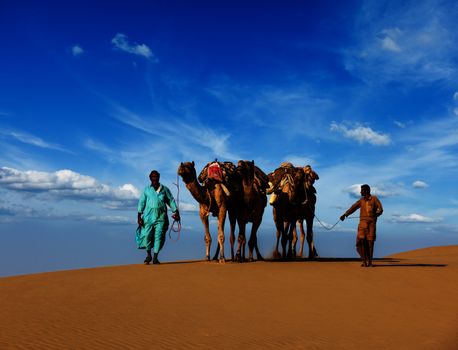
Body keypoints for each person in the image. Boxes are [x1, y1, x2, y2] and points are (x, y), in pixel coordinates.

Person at [136, 170, 180, 265]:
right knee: (147, 235)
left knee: (158, 237)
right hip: (148, 217)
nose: (155, 178)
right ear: (150, 178)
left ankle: (155, 257)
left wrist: (176, 211)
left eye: (156, 177)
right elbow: (141, 203)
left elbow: (170, 200)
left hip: (161, 217)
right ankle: (149, 255)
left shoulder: (164, 189)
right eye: (153, 177)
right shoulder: (146, 190)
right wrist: (139, 216)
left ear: (159, 177)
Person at [340, 184, 383, 267]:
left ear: (367, 191)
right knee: (361, 242)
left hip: (372, 224)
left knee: (370, 243)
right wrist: (345, 215)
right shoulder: (361, 201)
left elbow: (380, 209)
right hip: (362, 225)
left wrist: (377, 213)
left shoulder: (374, 199)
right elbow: (353, 208)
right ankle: (364, 261)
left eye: (362, 190)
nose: (360, 192)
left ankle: (370, 262)